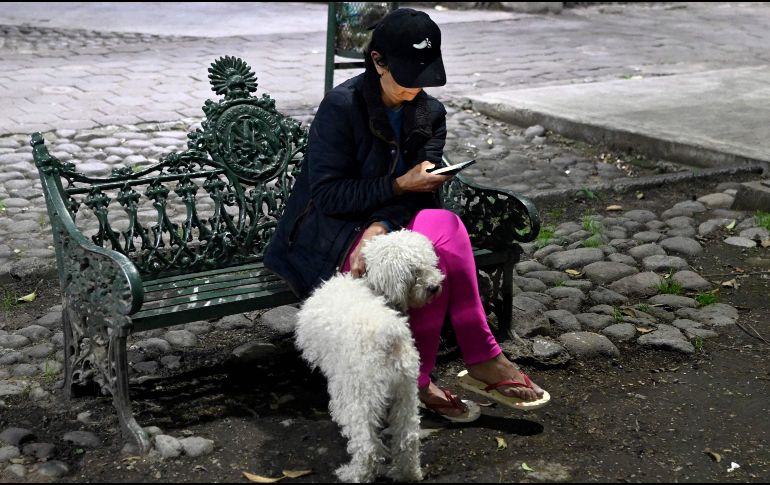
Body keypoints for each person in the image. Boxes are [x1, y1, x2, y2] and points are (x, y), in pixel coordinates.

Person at [265, 7, 547, 421]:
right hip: (328, 233)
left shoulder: (429, 114)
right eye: (408, 76)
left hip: (387, 223)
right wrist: (398, 187)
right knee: (420, 259)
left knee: (443, 231)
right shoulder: (341, 108)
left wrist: (383, 221)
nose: (417, 88)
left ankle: (466, 361)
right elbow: (327, 197)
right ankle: (424, 379)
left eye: (425, 75)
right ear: (378, 61)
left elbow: (421, 194)